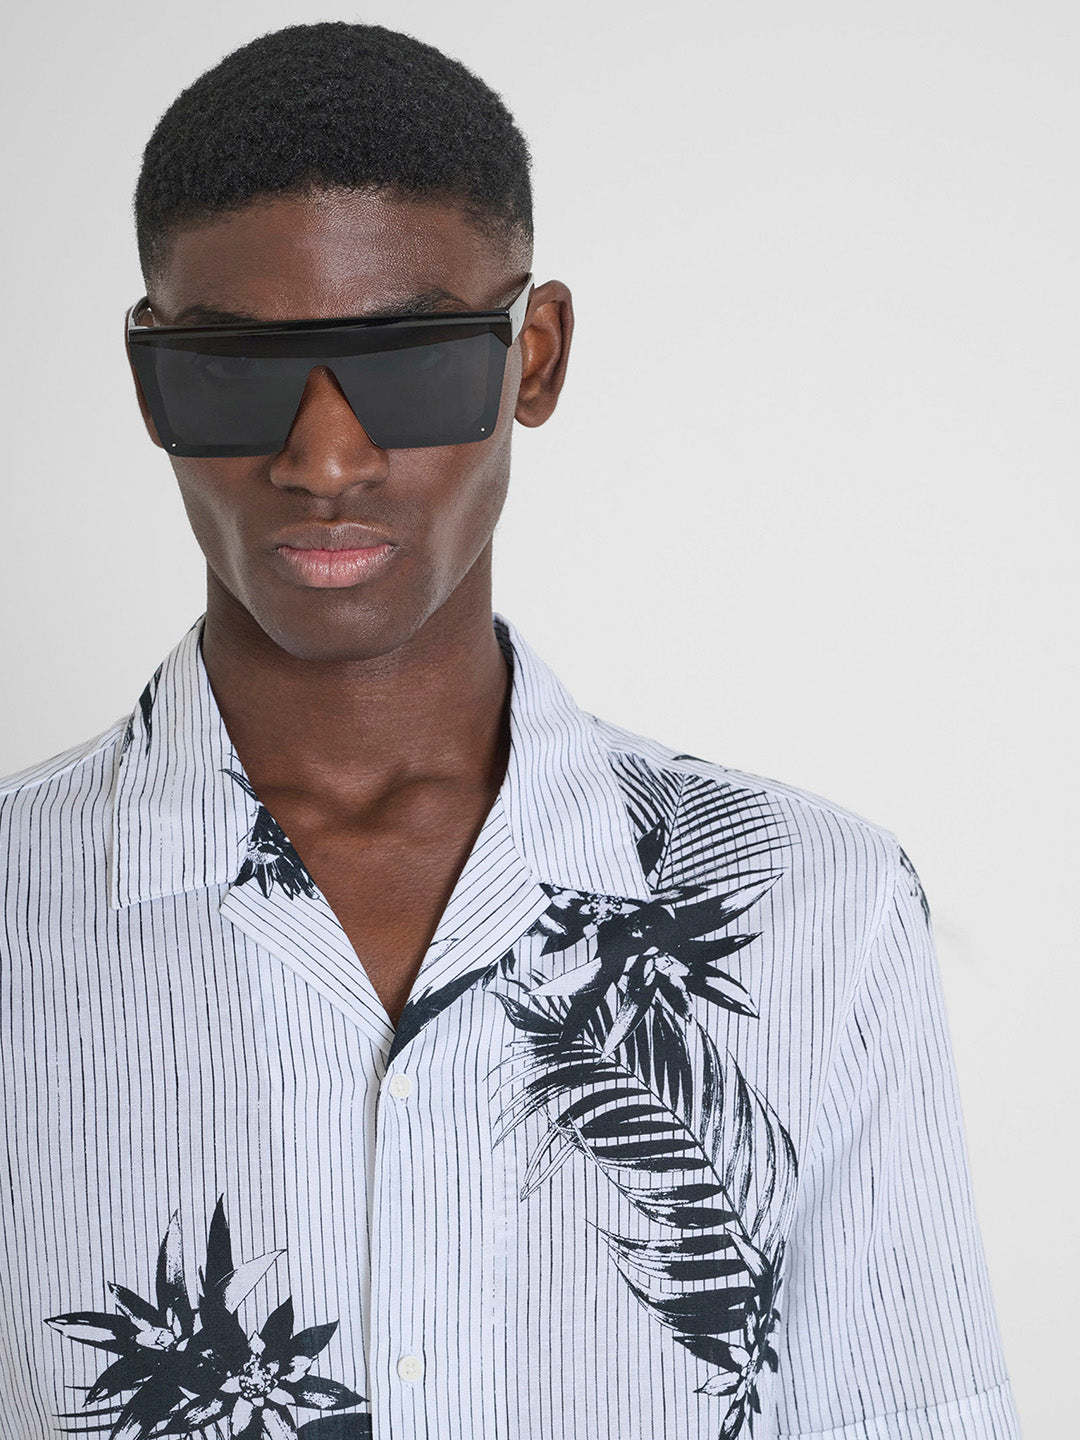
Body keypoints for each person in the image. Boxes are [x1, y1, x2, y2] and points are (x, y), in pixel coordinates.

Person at [0, 20, 1021, 1440]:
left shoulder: (821, 912)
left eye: (409, 360)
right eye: (235, 369)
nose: (324, 457)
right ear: (147, 379)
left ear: (532, 358)